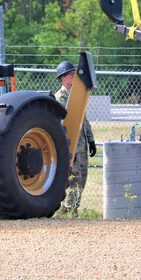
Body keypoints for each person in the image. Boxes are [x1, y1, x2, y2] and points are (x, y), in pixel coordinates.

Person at [54, 60, 96, 216]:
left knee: (82, 177)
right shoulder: (61, 98)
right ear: (63, 77)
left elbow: (83, 118)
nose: (74, 77)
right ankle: (70, 210)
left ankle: (66, 208)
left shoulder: (76, 96)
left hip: (81, 143)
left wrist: (91, 140)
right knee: (74, 178)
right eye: (72, 74)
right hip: (71, 144)